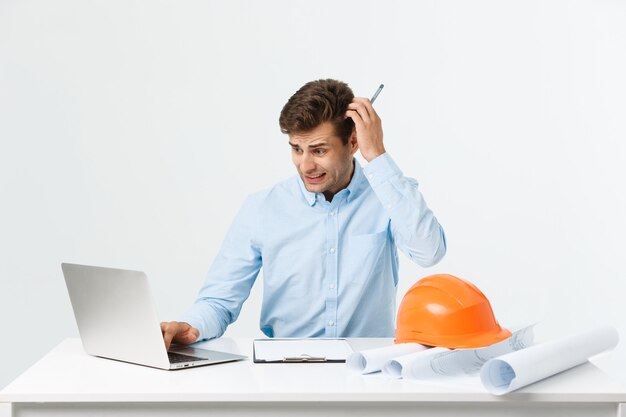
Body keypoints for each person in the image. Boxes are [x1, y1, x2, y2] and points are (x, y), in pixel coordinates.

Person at [161, 79, 446, 350]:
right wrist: (190, 326)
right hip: (286, 375)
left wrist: (378, 157)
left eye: (319, 150)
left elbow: (429, 251)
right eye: (297, 149)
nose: (305, 165)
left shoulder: (388, 197)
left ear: (353, 142)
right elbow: (219, 301)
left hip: (367, 372)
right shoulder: (262, 208)